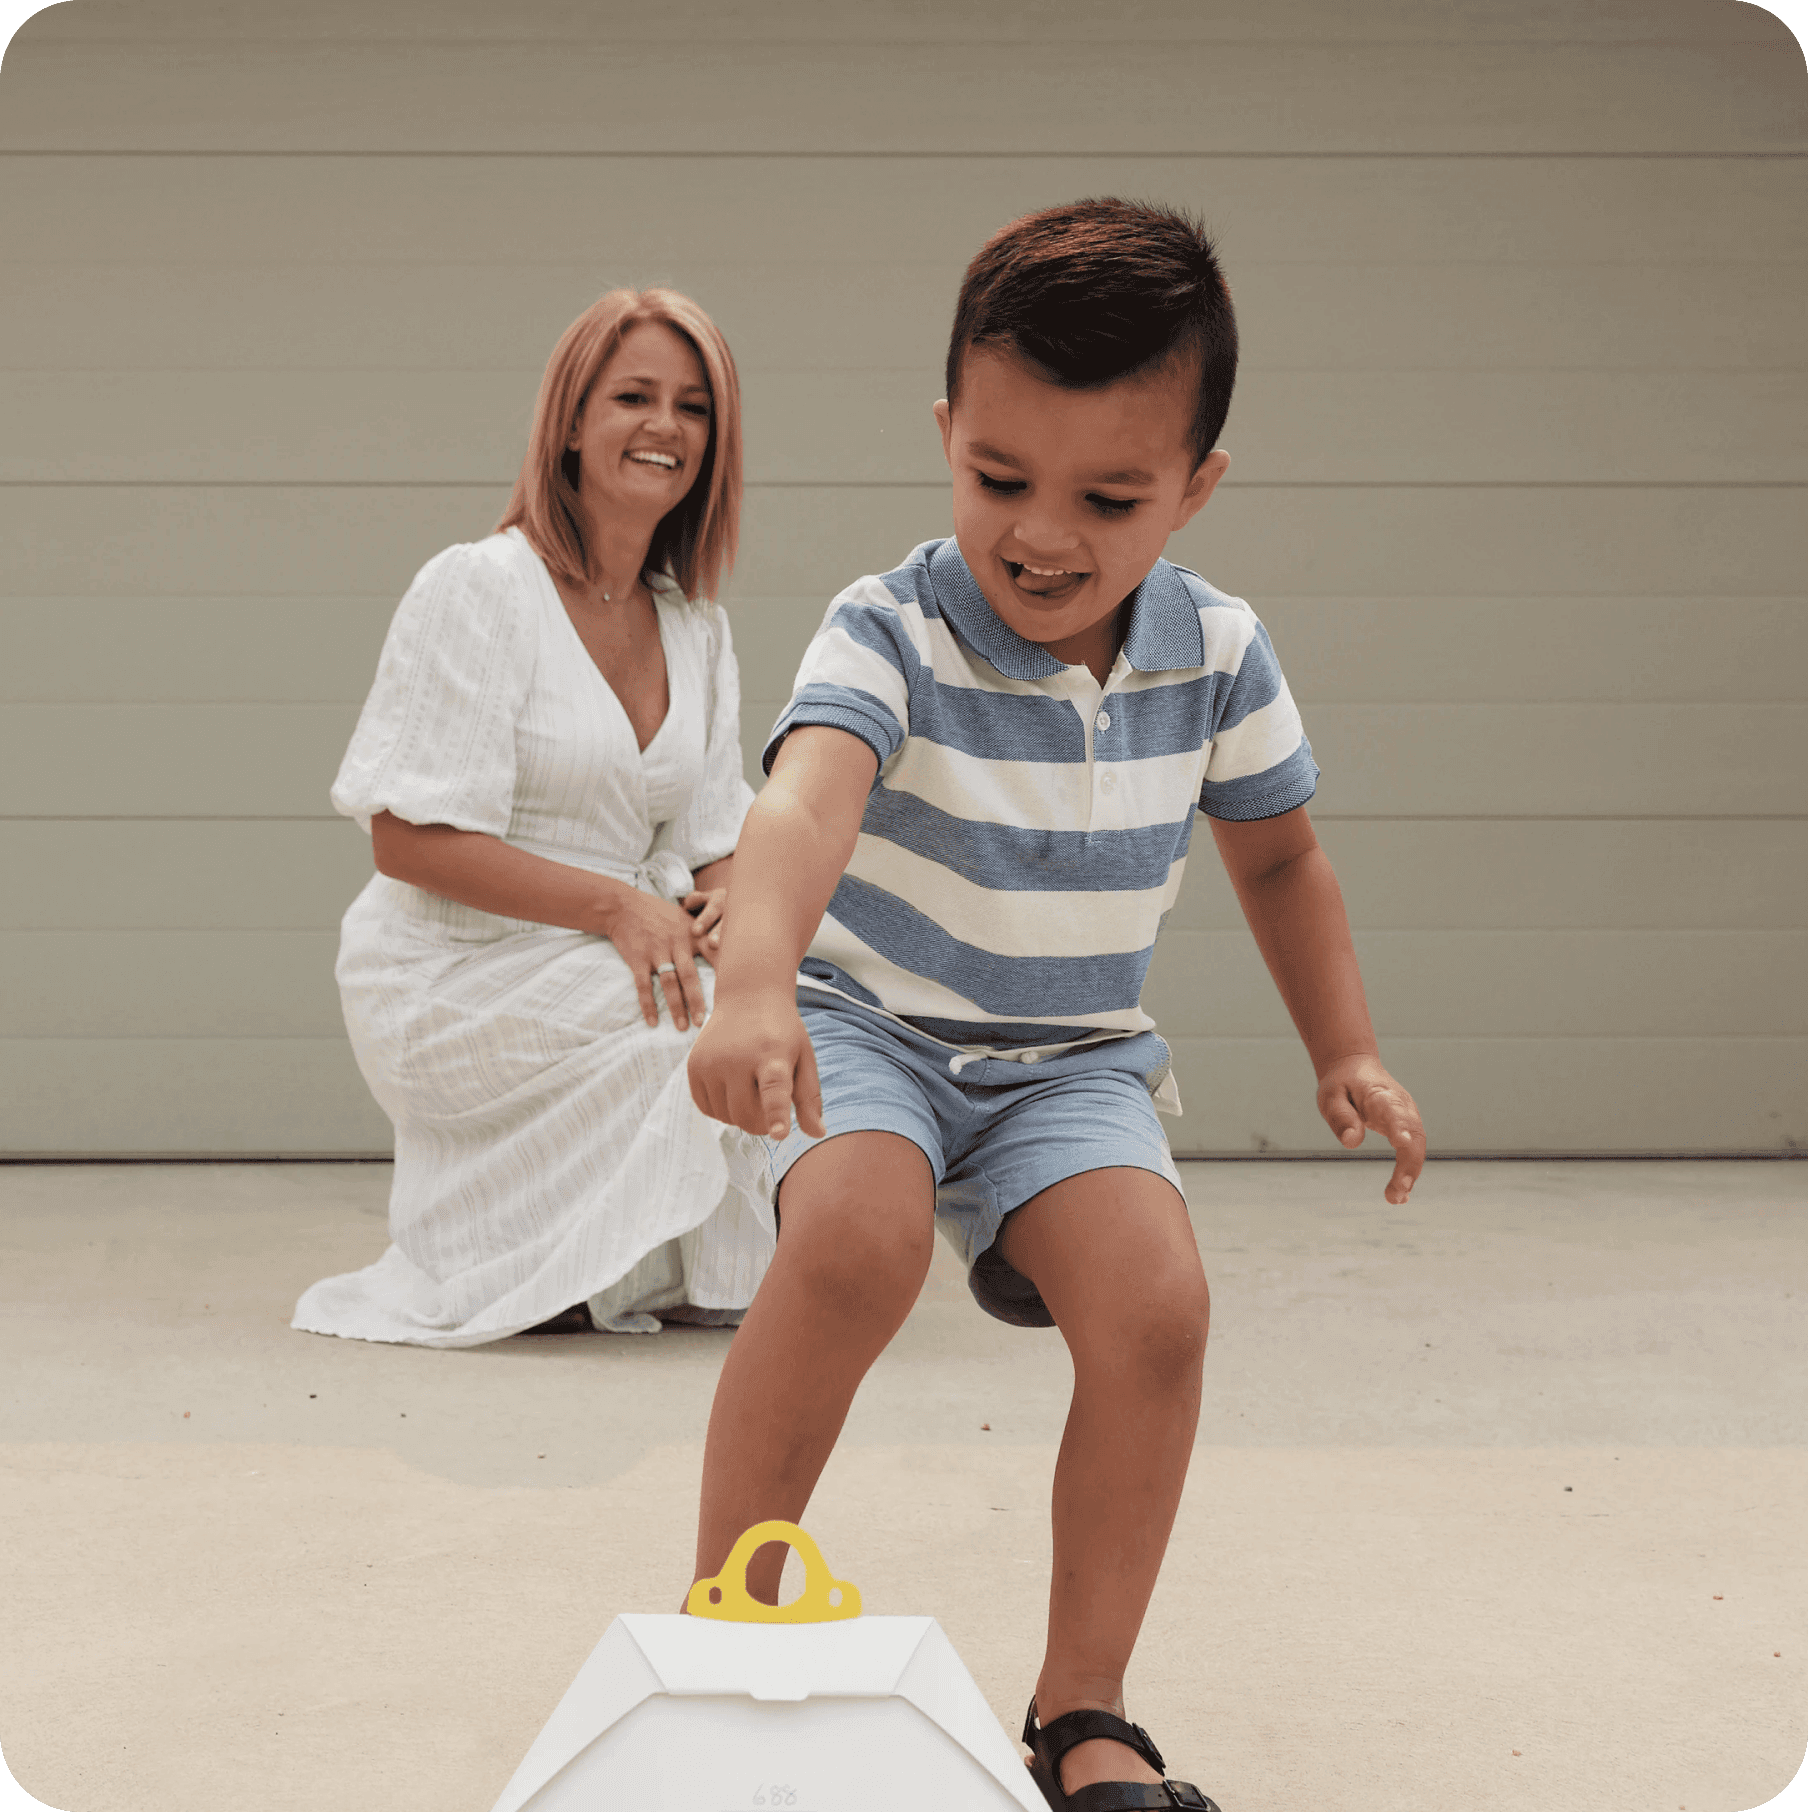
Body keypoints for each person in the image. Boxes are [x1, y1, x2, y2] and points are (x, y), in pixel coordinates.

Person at [684, 201, 1427, 1810]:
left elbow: (1283, 859)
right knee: (860, 1242)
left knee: (1160, 1310)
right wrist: (752, 989)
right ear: (947, 434)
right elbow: (804, 809)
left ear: (1196, 488)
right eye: (998, 478)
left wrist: (1346, 1046)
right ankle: (729, 1617)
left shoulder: (1219, 653)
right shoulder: (892, 625)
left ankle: (1083, 1713)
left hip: (1071, 1063)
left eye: (1110, 496)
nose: (1042, 533)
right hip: (869, 1023)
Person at [293, 288, 771, 1348]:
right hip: (453, 966)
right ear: (568, 421)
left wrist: (733, 912)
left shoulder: (695, 627)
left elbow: (714, 832)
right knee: (690, 1040)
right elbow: (404, 838)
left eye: (693, 407)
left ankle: (654, 1264)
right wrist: (616, 908)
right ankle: (536, 1263)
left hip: (619, 948)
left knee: (783, 1009)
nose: (664, 427)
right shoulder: (478, 590)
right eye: (633, 396)